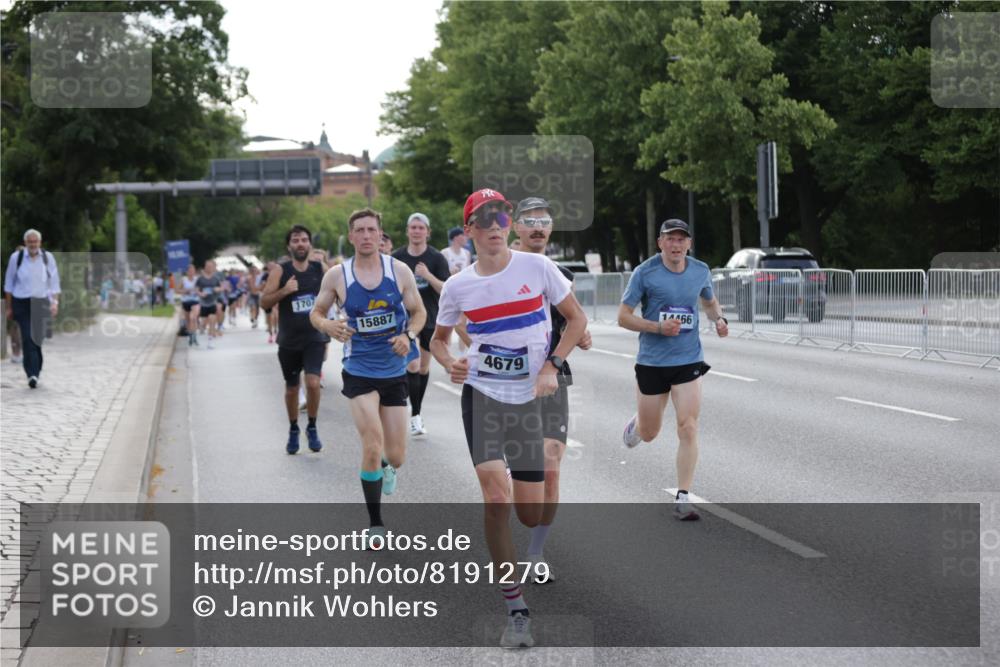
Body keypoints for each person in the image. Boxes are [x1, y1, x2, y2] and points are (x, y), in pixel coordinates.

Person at [430, 189, 587, 649]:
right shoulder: (459, 286)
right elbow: (438, 340)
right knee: (496, 498)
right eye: (485, 220)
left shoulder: (537, 268)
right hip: (482, 396)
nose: (496, 225)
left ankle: (530, 554)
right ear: (470, 232)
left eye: (501, 217)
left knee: (529, 510)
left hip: (529, 400)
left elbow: (575, 321)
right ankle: (516, 609)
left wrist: (550, 366)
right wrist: (449, 363)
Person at [311, 208, 425, 546]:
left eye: (370, 230)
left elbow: (418, 312)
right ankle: (375, 524)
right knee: (372, 444)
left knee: (397, 455)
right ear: (351, 237)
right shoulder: (337, 276)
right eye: (358, 230)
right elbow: (316, 313)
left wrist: (410, 336)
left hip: (393, 371)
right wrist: (328, 325)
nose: (364, 235)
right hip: (359, 370)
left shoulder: (399, 271)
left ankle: (388, 467)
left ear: (379, 235)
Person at [618, 218, 729, 521]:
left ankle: (683, 497)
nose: (676, 245)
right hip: (653, 361)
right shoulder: (645, 273)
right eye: (671, 239)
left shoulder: (700, 270)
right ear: (661, 243)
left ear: (689, 244)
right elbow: (623, 317)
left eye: (682, 239)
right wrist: (656, 326)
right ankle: (638, 425)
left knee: (688, 425)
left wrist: (719, 319)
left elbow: (709, 302)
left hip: (689, 359)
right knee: (651, 432)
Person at [510, 197, 592, 582]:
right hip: (506, 381)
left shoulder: (559, 273)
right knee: (517, 475)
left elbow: (574, 321)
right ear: (516, 228)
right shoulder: (500, 269)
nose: (538, 227)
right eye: (530, 221)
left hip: (552, 376)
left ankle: (536, 552)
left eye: (544, 220)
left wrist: (579, 338)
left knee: (551, 465)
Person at [260, 225, 330, 454]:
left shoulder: (320, 268)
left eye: (304, 240)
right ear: (289, 246)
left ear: (310, 244)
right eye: (296, 240)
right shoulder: (281, 271)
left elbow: (339, 290)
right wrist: (284, 291)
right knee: (292, 389)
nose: (300, 244)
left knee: (312, 383)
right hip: (289, 340)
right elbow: (264, 302)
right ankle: (292, 429)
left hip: (314, 337)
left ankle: (311, 425)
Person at [392, 212, 451, 437]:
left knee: (423, 369)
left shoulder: (436, 258)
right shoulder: (397, 258)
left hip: (430, 317)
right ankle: (414, 416)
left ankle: (416, 410)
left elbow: (446, 289)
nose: (416, 231)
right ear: (407, 231)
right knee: (413, 365)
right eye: (413, 227)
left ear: (427, 232)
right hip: (405, 320)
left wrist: (428, 275)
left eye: (421, 227)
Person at [3, 230, 60, 388]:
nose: (33, 244)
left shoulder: (48, 258)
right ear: (25, 242)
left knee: (38, 339)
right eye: (30, 242)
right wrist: (9, 307)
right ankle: (32, 374)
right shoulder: (17, 258)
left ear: (40, 242)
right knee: (28, 337)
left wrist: (55, 303)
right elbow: (9, 283)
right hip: (21, 302)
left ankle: (36, 367)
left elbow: (54, 283)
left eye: (35, 241)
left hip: (41, 302)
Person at [196, 261, 223, 349]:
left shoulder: (216, 278)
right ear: (205, 267)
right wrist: (201, 294)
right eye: (208, 266)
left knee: (212, 319)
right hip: (203, 303)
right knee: (204, 322)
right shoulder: (200, 279)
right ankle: (201, 327)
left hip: (212, 302)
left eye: (211, 266)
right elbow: (196, 290)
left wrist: (217, 289)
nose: (209, 268)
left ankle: (210, 340)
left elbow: (221, 288)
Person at [180, 264, 201, 346]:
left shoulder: (197, 279)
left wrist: (197, 291)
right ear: (187, 272)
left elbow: (201, 289)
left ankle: (194, 335)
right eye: (190, 271)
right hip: (186, 301)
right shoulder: (184, 280)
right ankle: (190, 335)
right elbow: (177, 290)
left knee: (193, 317)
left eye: (193, 270)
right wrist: (185, 291)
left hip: (195, 301)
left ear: (194, 271)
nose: (191, 272)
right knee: (188, 320)